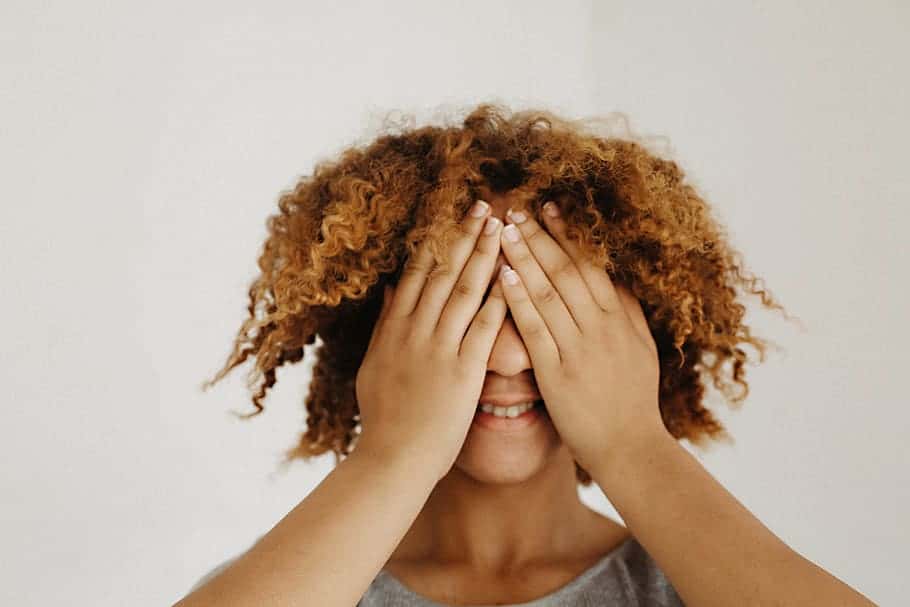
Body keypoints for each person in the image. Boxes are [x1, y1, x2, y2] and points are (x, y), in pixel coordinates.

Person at [175, 104, 875, 606]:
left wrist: (634, 444)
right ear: (375, 331)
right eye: (465, 301)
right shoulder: (303, 581)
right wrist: (394, 455)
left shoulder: (691, 586)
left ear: (637, 333)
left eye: (548, 303)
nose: (508, 355)